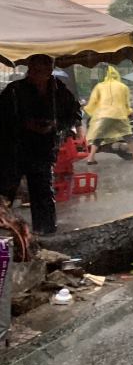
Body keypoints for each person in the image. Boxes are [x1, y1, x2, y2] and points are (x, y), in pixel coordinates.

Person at [0, 54, 82, 235]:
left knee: (43, 194)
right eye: (36, 70)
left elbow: (74, 114)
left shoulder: (59, 90)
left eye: (45, 71)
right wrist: (24, 125)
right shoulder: (14, 90)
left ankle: (46, 233)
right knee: (5, 193)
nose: (40, 75)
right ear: (30, 70)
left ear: (50, 71)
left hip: (43, 151)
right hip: (13, 151)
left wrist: (57, 126)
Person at [84, 66, 133, 164]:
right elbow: (126, 104)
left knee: (99, 137)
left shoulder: (99, 86)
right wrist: (130, 112)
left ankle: (90, 158)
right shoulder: (123, 87)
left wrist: (92, 112)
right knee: (127, 135)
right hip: (118, 115)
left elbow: (93, 101)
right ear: (117, 75)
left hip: (102, 115)